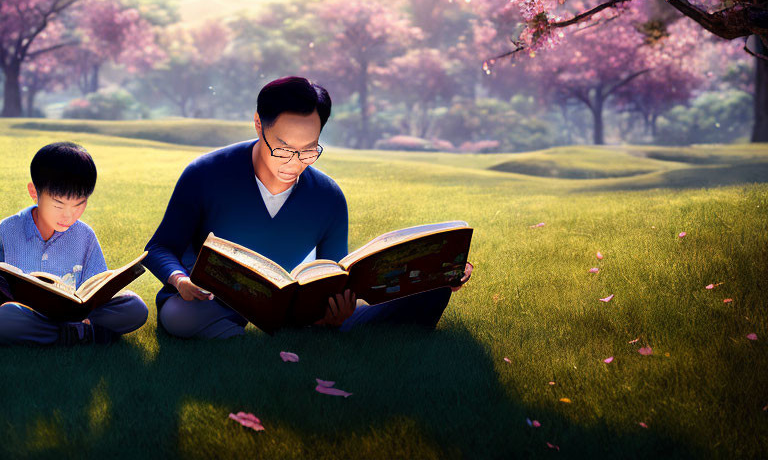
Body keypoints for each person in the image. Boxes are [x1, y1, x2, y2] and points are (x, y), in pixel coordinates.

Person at [145, 75, 472, 340]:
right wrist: (179, 281)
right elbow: (160, 246)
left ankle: (288, 332)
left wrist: (336, 308)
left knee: (430, 290)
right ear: (259, 125)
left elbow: (333, 273)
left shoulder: (327, 196)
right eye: (284, 149)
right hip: (210, 301)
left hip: (295, 310)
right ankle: (267, 334)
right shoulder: (205, 173)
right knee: (178, 317)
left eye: (309, 150)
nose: (294, 163)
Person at [0, 141, 149, 346]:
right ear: (34, 192)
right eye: (58, 204)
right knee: (5, 317)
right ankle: (83, 334)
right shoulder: (6, 231)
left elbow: (96, 289)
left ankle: (64, 333)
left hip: (76, 315)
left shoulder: (85, 235)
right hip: (28, 315)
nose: (69, 215)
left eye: (79, 204)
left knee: (134, 307)